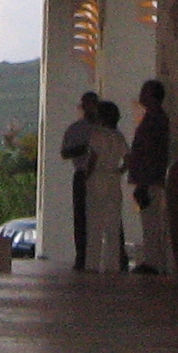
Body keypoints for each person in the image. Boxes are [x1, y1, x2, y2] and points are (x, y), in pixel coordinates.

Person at [126, 78, 172, 274]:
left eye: (145, 91)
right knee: (149, 221)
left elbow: (151, 152)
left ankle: (155, 263)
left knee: (151, 221)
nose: (141, 95)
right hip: (150, 177)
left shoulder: (154, 120)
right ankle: (153, 260)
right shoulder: (154, 118)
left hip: (150, 179)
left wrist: (143, 182)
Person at [83, 98, 130, 273]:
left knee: (94, 223)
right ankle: (113, 265)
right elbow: (128, 159)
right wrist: (120, 171)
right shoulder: (118, 136)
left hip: (97, 178)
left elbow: (93, 159)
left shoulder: (97, 134)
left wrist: (86, 176)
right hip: (113, 179)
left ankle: (92, 264)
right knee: (113, 224)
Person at [59, 90, 101, 271]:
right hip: (82, 174)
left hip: (101, 175)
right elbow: (65, 152)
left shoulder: (105, 129)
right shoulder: (76, 129)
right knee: (81, 217)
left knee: (105, 216)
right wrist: (84, 149)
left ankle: (108, 257)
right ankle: (82, 256)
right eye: (87, 104)